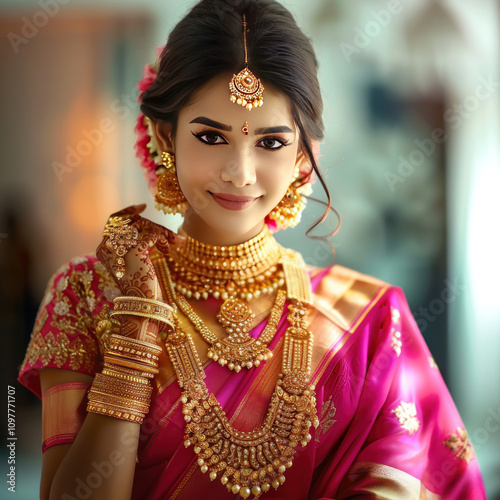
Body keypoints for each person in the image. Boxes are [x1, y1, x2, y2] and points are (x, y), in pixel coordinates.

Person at [19, 0, 486, 498]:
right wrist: (133, 338)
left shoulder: (370, 323)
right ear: (165, 136)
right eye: (210, 137)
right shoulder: (90, 294)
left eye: (270, 143)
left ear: (304, 156)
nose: (239, 173)